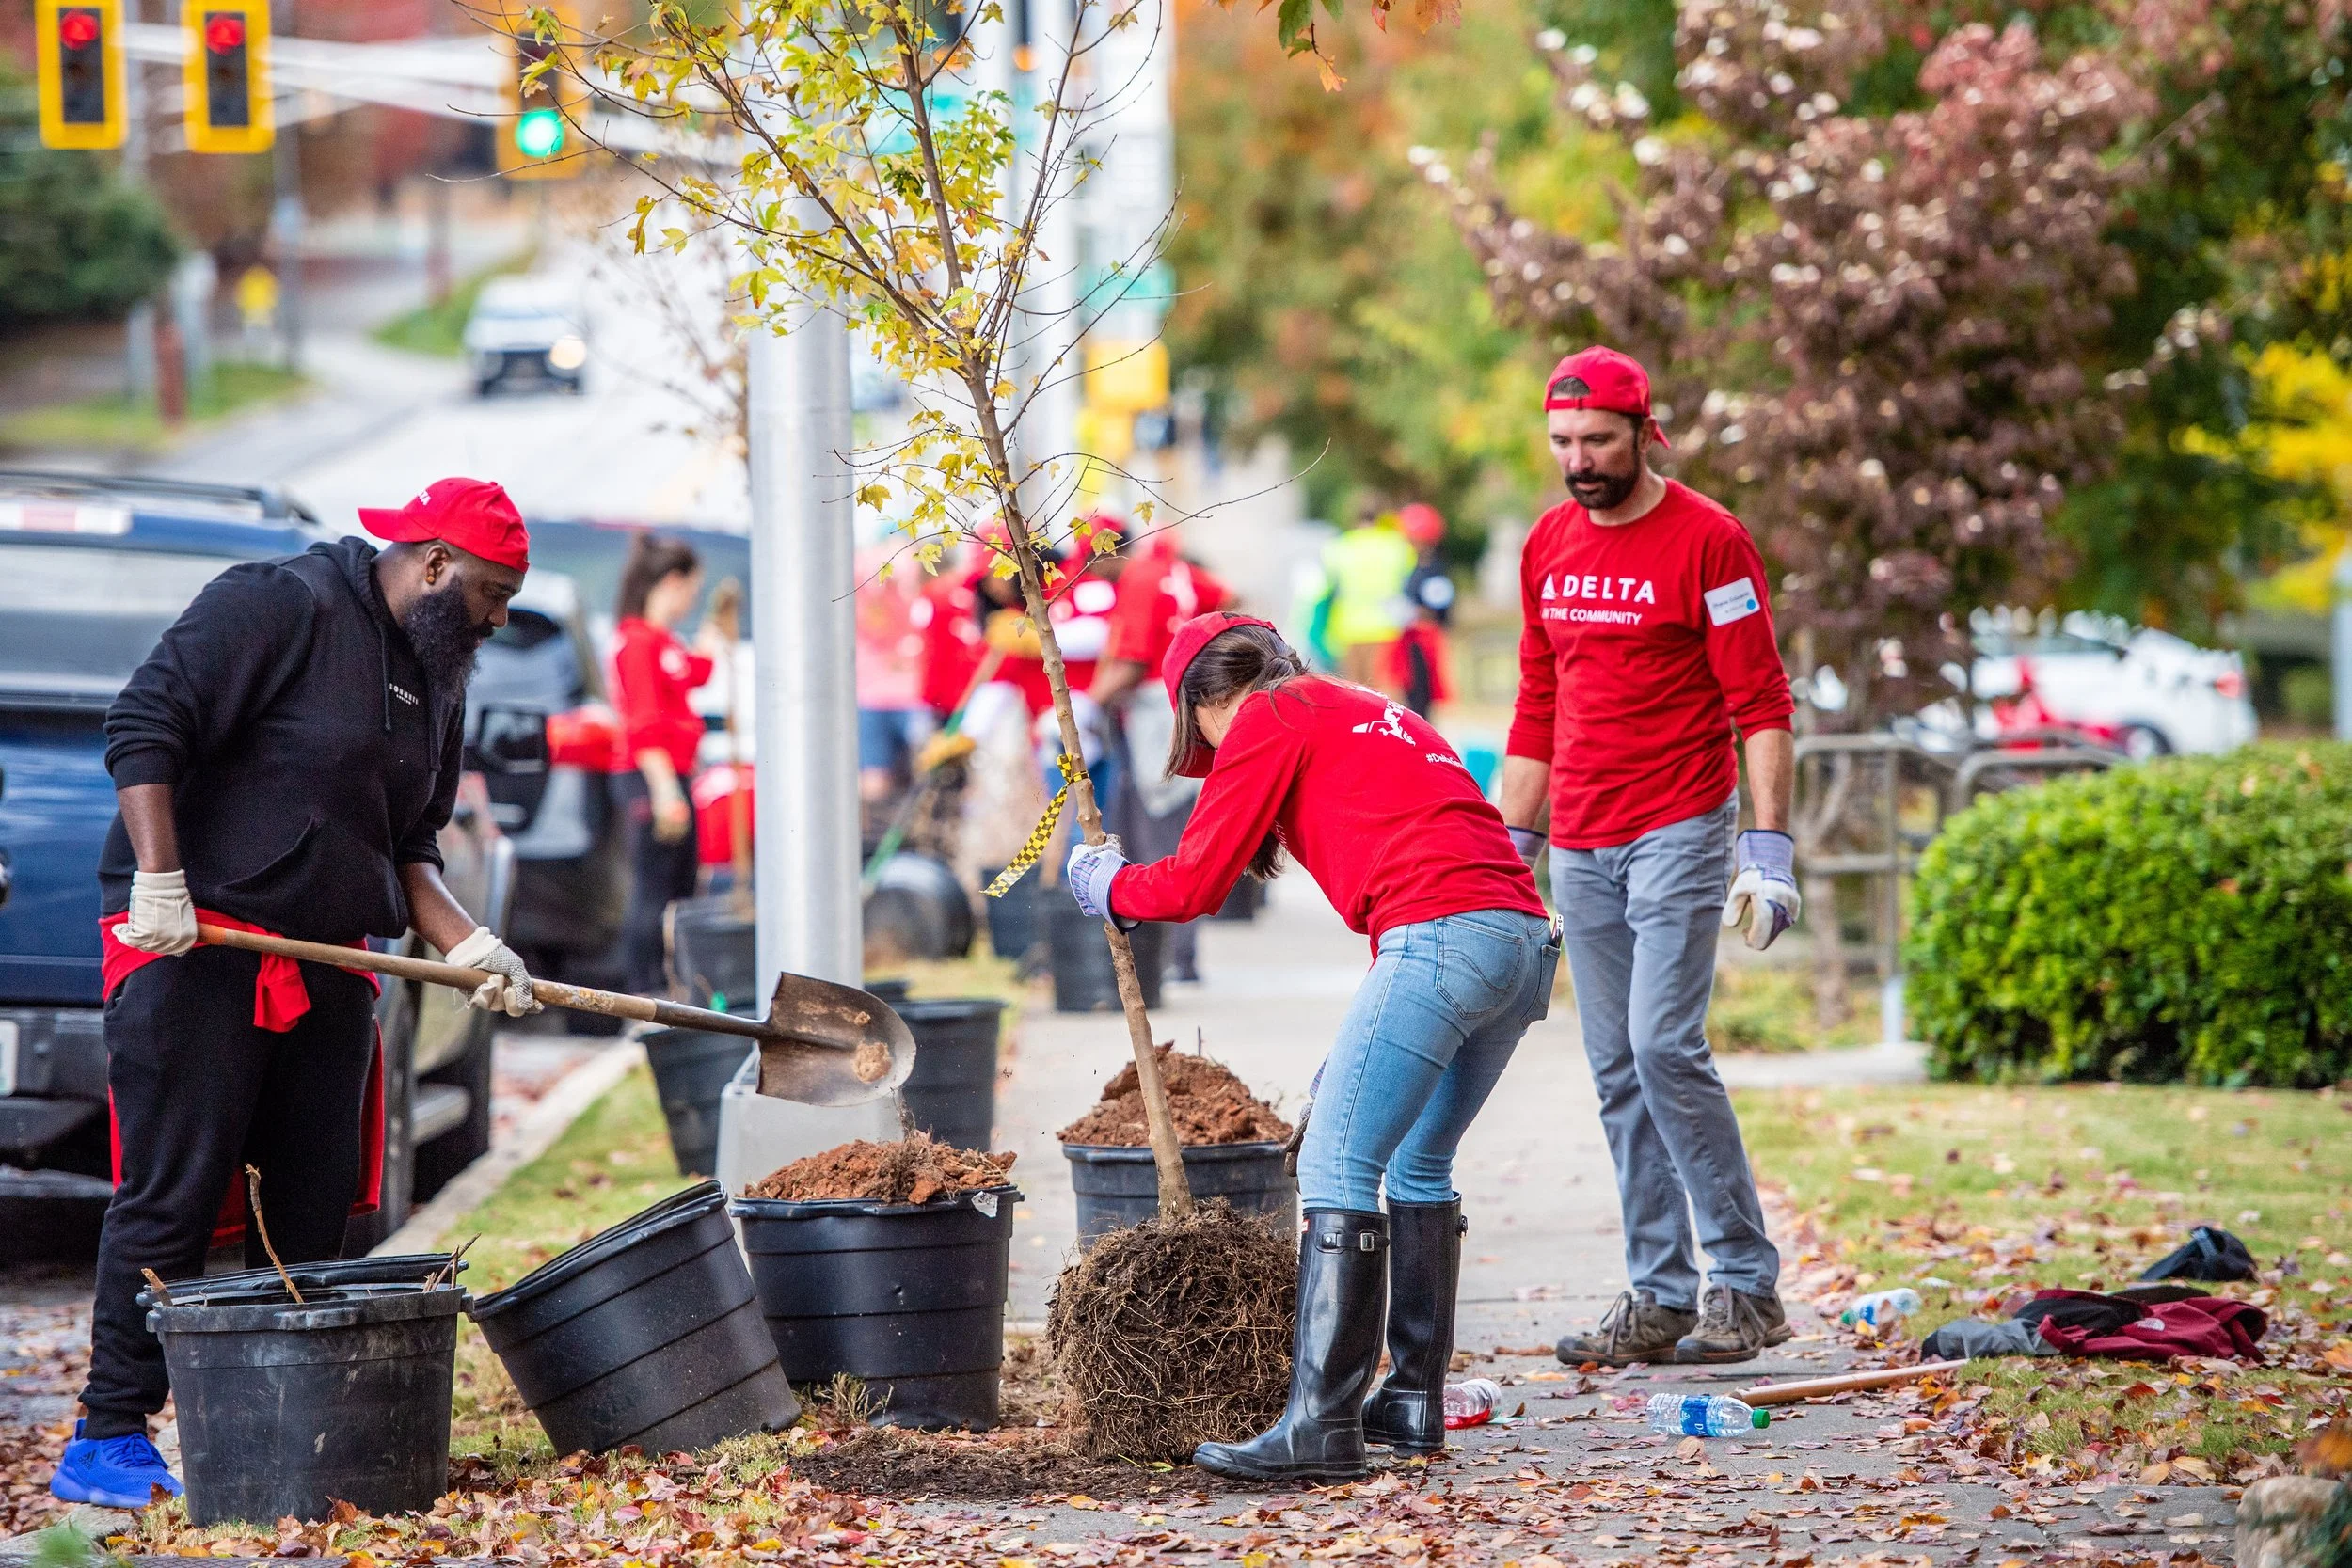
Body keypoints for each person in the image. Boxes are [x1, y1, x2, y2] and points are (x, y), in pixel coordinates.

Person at [55, 479, 539, 1509]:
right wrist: (159, 875)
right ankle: (107, 1432)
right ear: (436, 562)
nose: (498, 618)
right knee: (174, 1191)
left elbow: (408, 843)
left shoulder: (440, 671)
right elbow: (145, 722)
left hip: (329, 956)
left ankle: (282, 1419)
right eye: (493, 592)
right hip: (195, 939)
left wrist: (473, 944)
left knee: (317, 1205)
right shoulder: (281, 601)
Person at [1062, 612, 1558, 1482]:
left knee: (1334, 1160)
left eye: (1195, 733)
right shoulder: (1363, 705)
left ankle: (1320, 1427)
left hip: (1443, 936)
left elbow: (1193, 881)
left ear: (1202, 701)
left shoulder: (1267, 716)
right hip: (1520, 943)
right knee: (1414, 1163)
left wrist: (1112, 886)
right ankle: (1410, 1402)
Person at [1497, 345, 1801, 1368]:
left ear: (1642, 431)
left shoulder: (1708, 542)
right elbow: (1536, 703)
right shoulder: (1546, 544)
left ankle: (1745, 1285)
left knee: (1664, 1045)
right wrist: (1506, 856)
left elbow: (1760, 701)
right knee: (1616, 1065)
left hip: (1678, 819)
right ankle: (1663, 1292)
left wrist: (1766, 847)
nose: (1577, 460)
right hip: (1580, 835)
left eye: (1596, 440)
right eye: (1561, 442)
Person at [1089, 530, 1232, 980]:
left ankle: (1174, 957)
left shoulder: (1139, 578)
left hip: (1155, 710)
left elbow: (1131, 665)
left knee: (1159, 832)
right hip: (1183, 703)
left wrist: (1086, 705)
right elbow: (1228, 599)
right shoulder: (1176, 571)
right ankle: (1163, 955)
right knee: (1147, 826)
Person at [612, 532, 717, 997]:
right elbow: (643, 723)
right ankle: (645, 993)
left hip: (675, 775)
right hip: (651, 777)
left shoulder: (663, 641)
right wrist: (664, 791)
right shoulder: (636, 642)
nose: (692, 602)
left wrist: (717, 628)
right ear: (673, 582)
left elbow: (695, 671)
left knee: (680, 885)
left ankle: (673, 987)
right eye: (693, 591)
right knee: (654, 890)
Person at [1319, 499, 1417, 695]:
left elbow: (1326, 587)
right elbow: (1409, 578)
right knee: (1384, 689)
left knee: (1355, 690)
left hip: (1348, 627)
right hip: (1387, 626)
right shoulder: (1397, 546)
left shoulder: (1339, 546)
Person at [1389, 502, 1455, 719]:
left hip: (1423, 639)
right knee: (1410, 693)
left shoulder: (1433, 568)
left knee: (1421, 695)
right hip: (1410, 638)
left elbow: (1438, 607)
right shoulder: (1416, 564)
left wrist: (1412, 612)